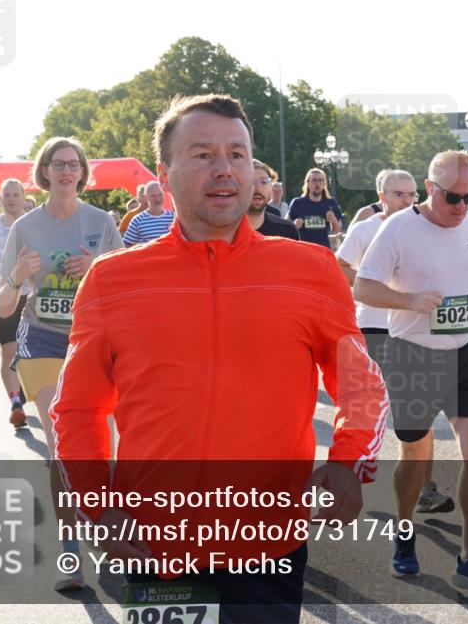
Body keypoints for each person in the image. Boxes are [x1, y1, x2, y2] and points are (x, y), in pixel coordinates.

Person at [50, 94, 388, 622]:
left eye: (237, 154)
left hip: (268, 549)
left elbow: (360, 385)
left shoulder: (312, 269)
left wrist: (349, 463)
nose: (224, 169)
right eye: (203, 154)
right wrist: (97, 506)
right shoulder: (112, 279)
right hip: (155, 548)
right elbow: (78, 410)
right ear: (165, 175)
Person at [355, 150, 468, 594]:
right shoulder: (398, 228)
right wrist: (407, 300)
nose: (462, 206)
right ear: (430, 189)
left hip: (464, 353)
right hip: (413, 355)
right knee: (415, 454)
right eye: (452, 197)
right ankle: (404, 530)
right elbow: (363, 286)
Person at [0, 137, 124, 590]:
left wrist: (97, 265)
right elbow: (1, 305)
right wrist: (17, 277)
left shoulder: (101, 222)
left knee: (100, 447)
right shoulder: (25, 227)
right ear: (45, 171)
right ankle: (69, 553)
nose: (66, 171)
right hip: (43, 339)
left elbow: (125, 284)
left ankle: (105, 531)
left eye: (74, 164)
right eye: (58, 163)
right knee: (61, 439)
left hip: (92, 342)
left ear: (83, 173)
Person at [337, 170, 453, 513]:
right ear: (382, 196)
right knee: (366, 410)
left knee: (420, 411)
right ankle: (349, 479)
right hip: (374, 328)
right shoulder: (365, 229)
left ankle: (426, 488)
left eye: (411, 194)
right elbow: (339, 266)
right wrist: (375, 282)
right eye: (397, 194)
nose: (406, 200)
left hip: (414, 330)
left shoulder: (427, 228)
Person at [0, 179, 32, 427]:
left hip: (32, 294)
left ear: (23, 197)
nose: (11, 199)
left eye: (15, 195)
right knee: (9, 350)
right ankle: (15, 403)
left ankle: (24, 386)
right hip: (3, 294)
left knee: (30, 352)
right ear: (0, 198)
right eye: (6, 195)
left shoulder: (35, 222)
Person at [287, 168, 343, 249]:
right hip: (302, 250)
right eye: (314, 180)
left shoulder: (330, 203)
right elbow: (285, 227)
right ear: (308, 183)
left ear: (324, 184)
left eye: (320, 180)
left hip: (322, 250)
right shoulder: (297, 203)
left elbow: (337, 230)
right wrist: (294, 225)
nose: (317, 183)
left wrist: (334, 220)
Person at [249, 159, 299, 239]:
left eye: (263, 182)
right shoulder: (227, 231)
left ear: (270, 188)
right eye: (251, 181)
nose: (258, 188)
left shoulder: (287, 231)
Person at [123, 180, 175, 245]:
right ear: (146, 197)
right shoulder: (137, 220)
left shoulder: (173, 217)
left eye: (160, 195)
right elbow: (127, 244)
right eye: (153, 196)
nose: (157, 199)